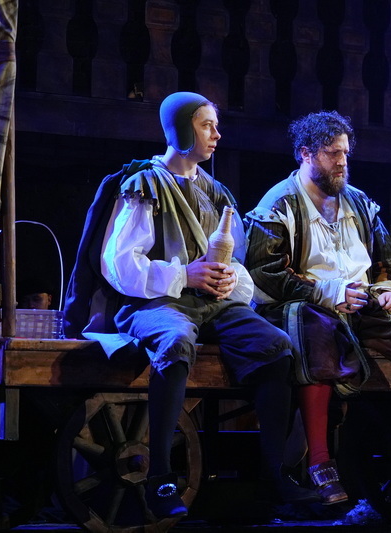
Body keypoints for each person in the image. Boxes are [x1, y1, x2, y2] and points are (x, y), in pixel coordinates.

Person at [64, 92, 316, 520]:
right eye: (206, 125)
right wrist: (185, 275)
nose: (216, 134)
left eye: (216, 125)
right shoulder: (144, 184)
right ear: (182, 130)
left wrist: (229, 280)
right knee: (177, 340)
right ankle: (161, 477)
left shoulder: (215, 192)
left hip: (211, 304)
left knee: (276, 346)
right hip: (153, 301)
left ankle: (274, 475)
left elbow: (233, 261)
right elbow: (119, 263)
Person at [243, 110, 391, 506]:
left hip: (361, 303)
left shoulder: (358, 202)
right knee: (313, 330)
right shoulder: (279, 204)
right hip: (305, 306)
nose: (342, 162)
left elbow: (386, 262)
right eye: (332, 154)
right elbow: (265, 272)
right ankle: (320, 462)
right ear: (305, 154)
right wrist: (328, 292)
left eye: (345, 153)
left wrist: (387, 288)